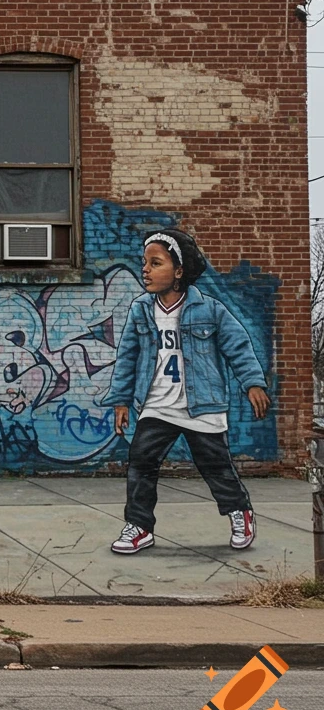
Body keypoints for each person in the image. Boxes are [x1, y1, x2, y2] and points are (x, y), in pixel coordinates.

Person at [103, 229, 271, 554]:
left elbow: (238, 346)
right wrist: (121, 400)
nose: (146, 270)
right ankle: (139, 526)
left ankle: (240, 512)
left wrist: (252, 383)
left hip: (203, 404)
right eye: (144, 263)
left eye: (156, 263)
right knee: (141, 462)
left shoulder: (209, 309)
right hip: (157, 404)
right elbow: (127, 356)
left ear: (179, 271)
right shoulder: (141, 310)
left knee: (216, 466)